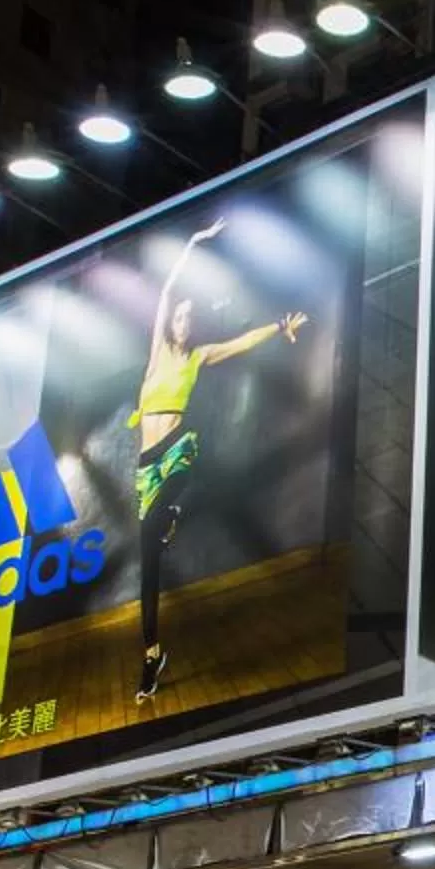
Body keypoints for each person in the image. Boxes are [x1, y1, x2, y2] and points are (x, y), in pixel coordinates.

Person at [127, 217, 309, 704]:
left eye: (190, 318)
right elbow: (166, 289)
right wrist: (192, 239)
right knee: (148, 563)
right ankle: (151, 655)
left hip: (178, 451)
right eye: (180, 318)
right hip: (147, 463)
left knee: (183, 476)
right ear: (171, 324)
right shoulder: (159, 355)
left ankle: (171, 511)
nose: (184, 324)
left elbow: (239, 344)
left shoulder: (196, 357)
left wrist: (277, 326)